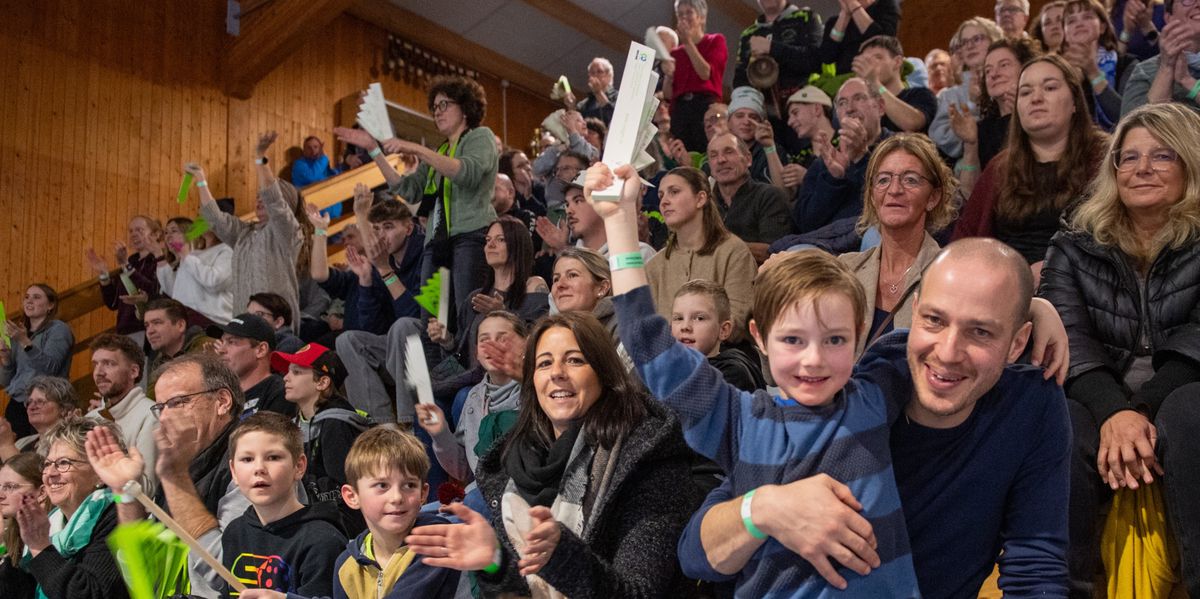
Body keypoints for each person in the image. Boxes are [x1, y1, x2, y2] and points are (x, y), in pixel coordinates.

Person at [585, 161, 920, 594]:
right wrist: (619, 222)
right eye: (793, 340)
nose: (814, 360)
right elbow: (648, 341)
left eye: (835, 340)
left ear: (859, 336)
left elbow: (948, 328)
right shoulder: (740, 419)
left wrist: (1032, 308)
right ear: (760, 338)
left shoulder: (874, 389)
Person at [682, 238, 1074, 597]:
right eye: (935, 320)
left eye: (981, 332)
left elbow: (1035, 566)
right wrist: (764, 509)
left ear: (1017, 342)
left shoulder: (1032, 402)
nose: (949, 352)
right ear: (914, 313)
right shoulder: (863, 389)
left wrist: (1034, 305)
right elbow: (695, 555)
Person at [405, 311, 701, 597]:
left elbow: (638, 593)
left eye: (574, 360)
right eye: (544, 363)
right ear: (533, 380)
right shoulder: (512, 463)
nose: (557, 373)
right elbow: (519, 594)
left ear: (603, 373)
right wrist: (494, 562)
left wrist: (562, 555)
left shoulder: (647, 457)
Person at [1038, 102, 1200, 597]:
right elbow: (1067, 336)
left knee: (1190, 411)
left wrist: (1142, 409)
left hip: (1185, 390)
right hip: (1094, 393)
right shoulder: (1074, 244)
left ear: (1192, 162)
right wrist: (1114, 412)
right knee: (1057, 422)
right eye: (1128, 158)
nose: (1141, 169)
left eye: (1162, 155)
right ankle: (1060, 589)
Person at [342, 77, 498, 317]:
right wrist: (374, 150)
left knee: (468, 314)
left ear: (465, 107)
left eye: (444, 104)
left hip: (470, 236)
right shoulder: (440, 151)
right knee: (432, 319)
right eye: (435, 107)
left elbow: (466, 173)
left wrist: (416, 148)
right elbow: (408, 189)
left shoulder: (480, 136)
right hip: (436, 243)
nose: (437, 112)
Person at [953, 54, 1108, 280]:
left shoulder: (1105, 159)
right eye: (1025, 92)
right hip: (1008, 289)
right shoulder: (1000, 168)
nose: (1036, 98)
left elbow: (1125, 240)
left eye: (1050, 88)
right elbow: (965, 241)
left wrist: (1055, 269)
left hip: (1088, 288)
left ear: (1075, 101)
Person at [836, 134, 958, 353]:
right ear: (873, 196)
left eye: (910, 180)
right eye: (883, 180)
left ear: (933, 197)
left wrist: (1038, 307)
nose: (894, 190)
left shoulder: (951, 276)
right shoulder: (846, 270)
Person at [209, 411, 346, 598]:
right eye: (247, 459)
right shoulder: (235, 532)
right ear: (233, 471)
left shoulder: (323, 541)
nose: (259, 469)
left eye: (273, 457)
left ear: (299, 466)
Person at [318, 427, 462, 598]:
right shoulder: (346, 565)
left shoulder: (436, 541)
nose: (396, 497)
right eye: (382, 485)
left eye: (409, 485)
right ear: (352, 496)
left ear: (423, 493)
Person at [187, 137, 305, 334]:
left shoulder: (287, 231)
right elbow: (214, 218)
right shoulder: (244, 233)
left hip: (276, 327)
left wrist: (260, 160)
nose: (259, 201)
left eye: (263, 197)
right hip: (243, 325)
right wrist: (201, 180)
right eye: (257, 197)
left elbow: (275, 201)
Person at [18, 417, 130, 599]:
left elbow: (90, 594)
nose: (51, 474)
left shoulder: (116, 515)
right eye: (47, 464)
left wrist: (40, 547)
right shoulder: (51, 522)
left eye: (63, 463)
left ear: (99, 473)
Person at [645, 167, 758, 343]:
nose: (664, 202)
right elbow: (646, 327)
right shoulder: (654, 266)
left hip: (723, 360)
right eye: (661, 196)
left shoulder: (733, 251)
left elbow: (737, 321)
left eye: (674, 192)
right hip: (668, 363)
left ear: (700, 198)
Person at [417, 311, 525, 484]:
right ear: (477, 353)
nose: (492, 345)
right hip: (483, 493)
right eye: (484, 339)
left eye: (502, 338)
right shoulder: (474, 397)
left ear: (525, 345)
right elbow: (466, 472)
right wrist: (441, 433)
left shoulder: (540, 389)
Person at [273, 342, 368, 535]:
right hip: (318, 516)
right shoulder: (297, 423)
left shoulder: (337, 423)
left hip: (344, 526)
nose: (285, 378)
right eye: (288, 372)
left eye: (297, 372)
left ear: (322, 383)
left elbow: (344, 491)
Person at [309, 188, 424, 338]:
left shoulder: (423, 258)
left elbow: (412, 320)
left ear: (408, 229)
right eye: (376, 229)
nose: (381, 235)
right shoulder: (366, 268)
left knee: (346, 339)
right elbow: (320, 275)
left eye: (388, 227)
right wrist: (320, 230)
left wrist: (361, 215)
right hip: (362, 345)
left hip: (406, 347)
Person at [793, 77, 890, 234]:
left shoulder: (902, 149)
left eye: (859, 98)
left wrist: (861, 159)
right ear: (837, 114)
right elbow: (805, 223)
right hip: (829, 248)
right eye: (842, 103)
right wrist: (833, 179)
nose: (849, 109)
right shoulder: (825, 161)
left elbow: (891, 203)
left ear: (880, 107)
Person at [950, 38, 1042, 196]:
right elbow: (969, 193)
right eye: (988, 70)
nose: (994, 74)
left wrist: (1020, 117)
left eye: (1004, 65)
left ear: (1026, 68)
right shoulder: (982, 129)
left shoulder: (1042, 115)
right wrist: (971, 145)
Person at [86, 333, 159, 493]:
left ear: (133, 371)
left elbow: (148, 491)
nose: (99, 372)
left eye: (109, 364)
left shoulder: (151, 416)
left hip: (127, 513)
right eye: (95, 364)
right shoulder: (91, 418)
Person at [930, 17, 1005, 167]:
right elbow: (942, 139)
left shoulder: (1008, 80)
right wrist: (972, 106)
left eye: (977, 39)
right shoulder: (949, 96)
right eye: (964, 42)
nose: (970, 46)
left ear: (994, 40)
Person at [1, 284, 74, 438]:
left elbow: (50, 367)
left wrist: (24, 341)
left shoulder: (58, 329)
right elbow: (6, 381)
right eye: (27, 297)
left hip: (46, 403)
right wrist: (6, 359)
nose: (29, 301)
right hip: (18, 404)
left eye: (36, 297)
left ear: (50, 305)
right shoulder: (19, 333)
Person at [707, 132, 792, 262]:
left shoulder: (769, 196)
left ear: (748, 159)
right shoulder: (705, 205)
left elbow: (773, 252)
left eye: (729, 152)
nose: (721, 160)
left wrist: (718, 246)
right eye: (714, 155)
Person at [84, 215, 166, 345]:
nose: (133, 234)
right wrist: (103, 274)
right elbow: (113, 303)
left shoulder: (160, 260)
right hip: (124, 330)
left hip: (148, 329)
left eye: (139, 230)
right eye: (131, 231)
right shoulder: (131, 260)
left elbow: (153, 291)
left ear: (155, 234)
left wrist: (126, 265)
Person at [670, 280, 763, 392]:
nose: (685, 326)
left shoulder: (732, 376)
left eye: (699, 318)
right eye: (678, 318)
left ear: (723, 330)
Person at [1061, 0, 1140, 130]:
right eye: (1071, 21)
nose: (1079, 23)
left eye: (1087, 17)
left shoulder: (1127, 64)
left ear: (1102, 26)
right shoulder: (1056, 71)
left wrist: (1093, 72)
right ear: (1065, 33)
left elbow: (1127, 117)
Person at [663, 0, 728, 153]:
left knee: (707, 149)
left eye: (689, 13)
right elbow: (668, 94)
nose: (684, 18)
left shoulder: (715, 41)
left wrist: (688, 43)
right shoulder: (675, 54)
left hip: (704, 105)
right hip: (680, 110)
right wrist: (669, 76)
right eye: (680, 14)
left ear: (701, 17)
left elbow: (705, 73)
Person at [1119, 0, 1200, 116]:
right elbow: (1136, 128)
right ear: (1169, 17)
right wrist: (1167, 68)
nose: (1198, 4)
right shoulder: (1145, 72)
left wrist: (1188, 82)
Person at [208, 314, 295, 418]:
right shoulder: (220, 393)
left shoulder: (280, 393)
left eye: (231, 342)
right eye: (222, 342)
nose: (221, 350)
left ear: (261, 350)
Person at [158, 212, 234, 325]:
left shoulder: (227, 250)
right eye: (199, 217)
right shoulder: (194, 255)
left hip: (212, 319)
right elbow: (175, 292)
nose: (200, 221)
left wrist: (186, 256)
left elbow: (215, 282)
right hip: (185, 318)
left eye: (174, 231)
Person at [733, 0, 823, 94]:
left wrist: (771, 48)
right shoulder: (747, 34)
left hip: (805, 95)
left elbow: (816, 60)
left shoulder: (806, 17)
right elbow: (739, 81)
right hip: (762, 103)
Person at [853, 35, 939, 134]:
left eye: (877, 57)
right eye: (866, 61)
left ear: (897, 62)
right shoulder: (866, 104)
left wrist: (875, 84)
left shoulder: (921, 94)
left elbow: (912, 123)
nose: (870, 65)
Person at [143, 298, 216, 397]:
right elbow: (151, 400)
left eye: (157, 323)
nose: (150, 331)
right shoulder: (158, 361)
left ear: (180, 325)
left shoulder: (205, 346)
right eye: (147, 325)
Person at [0, 377, 78, 462]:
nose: (31, 407)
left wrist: (6, 445)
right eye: (29, 402)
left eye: (40, 401)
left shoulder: (70, 442)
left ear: (63, 408)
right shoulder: (23, 442)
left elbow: (30, 475)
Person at [0, 453, 46, 599]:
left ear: (42, 492)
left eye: (10, 487)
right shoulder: (13, 535)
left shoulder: (53, 534)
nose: (0, 494)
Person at [818, 0, 901, 76]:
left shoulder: (886, 6)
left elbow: (881, 41)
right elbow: (827, 57)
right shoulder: (833, 22)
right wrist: (845, 15)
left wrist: (854, 6)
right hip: (843, 80)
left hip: (876, 78)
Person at [782, 85, 837, 177]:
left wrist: (807, 177)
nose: (789, 122)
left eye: (795, 113)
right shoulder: (800, 159)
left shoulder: (848, 145)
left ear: (817, 109)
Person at [577, 57, 617, 125]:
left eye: (599, 72)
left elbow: (614, 120)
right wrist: (571, 105)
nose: (595, 75)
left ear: (609, 76)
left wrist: (598, 93)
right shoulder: (584, 103)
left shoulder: (619, 97)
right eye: (592, 72)